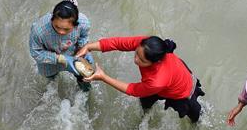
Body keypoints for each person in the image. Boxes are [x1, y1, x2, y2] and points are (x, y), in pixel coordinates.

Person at [78, 35, 206, 122]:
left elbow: (133, 90)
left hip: (183, 92)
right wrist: (89, 47)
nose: (135, 59)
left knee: (195, 119)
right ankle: (145, 119)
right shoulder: (145, 44)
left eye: (142, 60)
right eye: (136, 53)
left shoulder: (157, 81)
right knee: (144, 103)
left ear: (155, 62)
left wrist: (103, 77)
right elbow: (118, 43)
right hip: (168, 77)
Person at [28, 0, 92, 88]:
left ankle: (84, 92)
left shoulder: (83, 23)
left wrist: (85, 50)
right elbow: (36, 52)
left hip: (73, 56)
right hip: (48, 62)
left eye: (66, 29)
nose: (61, 32)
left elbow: (84, 37)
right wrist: (61, 59)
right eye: (57, 27)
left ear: (75, 25)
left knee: (84, 79)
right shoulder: (39, 30)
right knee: (51, 81)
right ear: (51, 19)